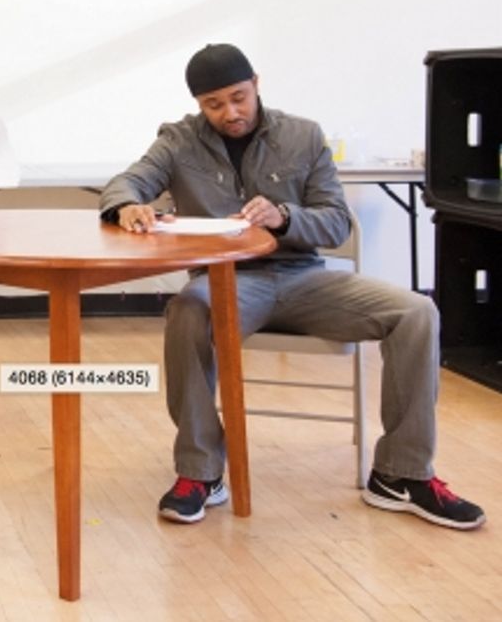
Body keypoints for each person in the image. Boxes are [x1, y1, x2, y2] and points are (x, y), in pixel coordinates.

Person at [99, 44, 485, 530]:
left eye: (238, 97)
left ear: (256, 83)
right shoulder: (177, 140)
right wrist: (125, 206)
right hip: (229, 284)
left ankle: (402, 475)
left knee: (415, 312)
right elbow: (126, 182)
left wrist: (284, 217)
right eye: (213, 105)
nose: (229, 113)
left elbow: (336, 224)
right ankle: (200, 472)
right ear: (198, 105)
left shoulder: (304, 136)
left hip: (304, 279)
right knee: (187, 311)